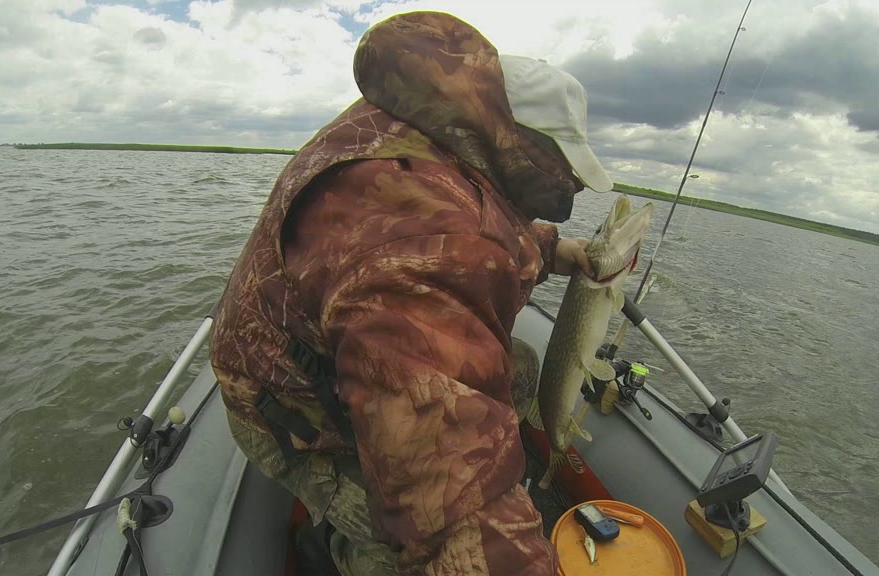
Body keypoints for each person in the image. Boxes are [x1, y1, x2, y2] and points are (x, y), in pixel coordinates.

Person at [210, 10, 613, 576]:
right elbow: (448, 502)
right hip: (296, 411)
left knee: (517, 368)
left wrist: (551, 249)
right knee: (401, 547)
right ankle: (340, 549)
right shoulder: (418, 231)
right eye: (565, 165)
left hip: (326, 359)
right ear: (523, 144)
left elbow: (478, 214)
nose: (570, 183)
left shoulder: (418, 134)